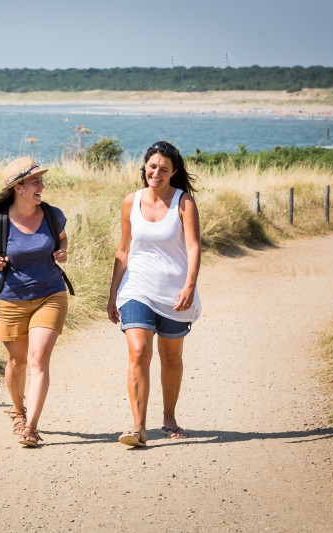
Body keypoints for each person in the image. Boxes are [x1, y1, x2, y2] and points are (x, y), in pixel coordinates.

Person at [0, 156, 69, 448]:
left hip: (51, 293)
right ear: (18, 187)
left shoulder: (52, 214)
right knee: (16, 361)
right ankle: (18, 412)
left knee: (38, 359)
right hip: (10, 299)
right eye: (35, 181)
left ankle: (32, 428)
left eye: (41, 180)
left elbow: (62, 238)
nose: (42, 185)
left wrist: (62, 251)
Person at [107, 141, 201, 447]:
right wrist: (112, 295)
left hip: (174, 291)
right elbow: (123, 250)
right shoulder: (130, 202)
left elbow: (193, 247)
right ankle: (137, 427)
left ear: (173, 172)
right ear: (144, 166)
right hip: (136, 288)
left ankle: (169, 418)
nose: (156, 173)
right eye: (152, 166)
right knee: (138, 351)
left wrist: (189, 285)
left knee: (171, 358)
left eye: (163, 169)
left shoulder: (183, 203)